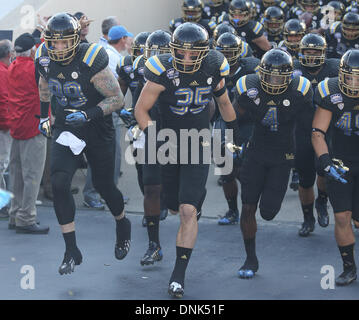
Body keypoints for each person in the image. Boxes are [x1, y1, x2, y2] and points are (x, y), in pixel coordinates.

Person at [135, 22, 241, 298]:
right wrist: (154, 134)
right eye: (181, 53)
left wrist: (235, 134)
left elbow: (224, 103)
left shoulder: (215, 65)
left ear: (205, 52)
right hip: (168, 141)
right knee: (172, 207)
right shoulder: (160, 70)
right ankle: (189, 203)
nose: (187, 58)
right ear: (173, 50)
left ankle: (178, 276)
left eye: (194, 54)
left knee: (186, 211)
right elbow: (141, 110)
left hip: (198, 142)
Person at [35, 13, 131, 274]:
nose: (60, 48)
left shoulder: (90, 57)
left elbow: (117, 99)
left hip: (97, 126)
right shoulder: (43, 56)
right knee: (59, 182)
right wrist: (45, 115)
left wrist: (88, 114)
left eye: (65, 42)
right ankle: (70, 249)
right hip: (67, 125)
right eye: (55, 42)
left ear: (75, 40)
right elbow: (45, 84)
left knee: (103, 185)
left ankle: (122, 224)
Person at [234, 48, 313, 278]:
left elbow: (310, 124)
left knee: (268, 212)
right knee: (248, 207)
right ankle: (250, 259)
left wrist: (310, 153)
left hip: (283, 156)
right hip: (256, 152)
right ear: (261, 74)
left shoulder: (300, 90)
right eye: (270, 76)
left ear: (289, 76)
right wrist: (229, 142)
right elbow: (230, 115)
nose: (274, 81)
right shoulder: (249, 86)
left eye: (280, 77)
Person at [312, 49, 359, 286]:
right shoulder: (330, 91)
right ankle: (349, 267)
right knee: (342, 217)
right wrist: (325, 161)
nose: (354, 82)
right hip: (341, 162)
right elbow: (318, 133)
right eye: (350, 76)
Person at [293, 33, 340, 237]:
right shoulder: (292, 69)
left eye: (315, 52)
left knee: (324, 170)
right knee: (304, 179)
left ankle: (322, 199)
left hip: (328, 129)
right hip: (301, 129)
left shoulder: (335, 68)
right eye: (307, 52)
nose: (311, 56)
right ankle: (307, 218)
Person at [131, 30, 171, 264]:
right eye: (152, 52)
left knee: (182, 200)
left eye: (161, 53)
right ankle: (153, 244)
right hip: (153, 135)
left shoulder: (184, 72)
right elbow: (137, 104)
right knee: (151, 187)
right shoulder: (144, 72)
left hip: (182, 136)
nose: (156, 57)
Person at [214, 32, 259, 225]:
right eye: (222, 52)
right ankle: (233, 210)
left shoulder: (251, 68)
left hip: (247, 122)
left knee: (243, 167)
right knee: (225, 170)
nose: (226, 56)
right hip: (222, 120)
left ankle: (249, 207)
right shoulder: (211, 67)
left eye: (230, 52)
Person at [7, 33, 49, 234]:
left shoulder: (12, 66)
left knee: (16, 175)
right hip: (33, 127)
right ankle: (27, 218)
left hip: (16, 126)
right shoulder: (34, 68)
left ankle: (16, 214)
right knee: (32, 175)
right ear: (32, 50)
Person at [0, 39, 13, 219]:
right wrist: (7, 124)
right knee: (2, 163)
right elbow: (4, 100)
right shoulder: (3, 73)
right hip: (3, 126)